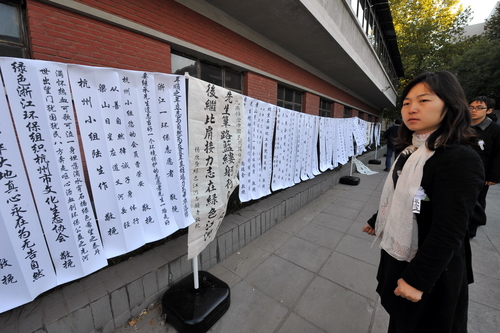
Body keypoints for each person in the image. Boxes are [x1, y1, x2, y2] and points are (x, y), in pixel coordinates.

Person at [362, 71, 484, 333]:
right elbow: (406, 196)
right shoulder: (412, 151)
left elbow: (449, 229)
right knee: (402, 320)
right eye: (406, 102)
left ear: (450, 105)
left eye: (424, 100)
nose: (412, 108)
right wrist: (377, 218)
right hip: (402, 258)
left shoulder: (459, 158)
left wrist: (418, 280)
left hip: (433, 270)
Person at [468, 96, 500, 238]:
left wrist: (493, 176)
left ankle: (471, 229)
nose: (474, 110)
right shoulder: (463, 125)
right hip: (460, 170)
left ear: (489, 110)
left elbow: (498, 154)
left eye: (479, 108)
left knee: (477, 200)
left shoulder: (495, 130)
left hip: (482, 173)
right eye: (471, 107)